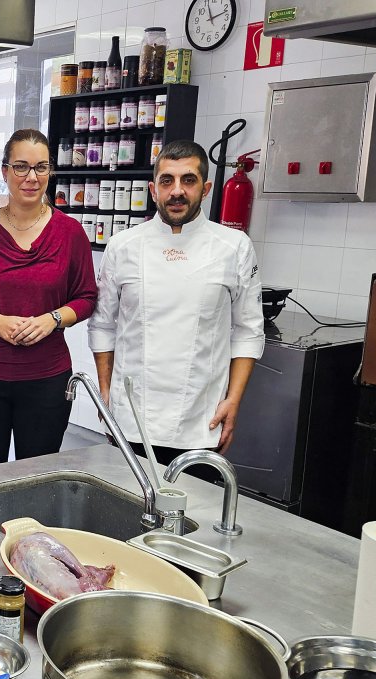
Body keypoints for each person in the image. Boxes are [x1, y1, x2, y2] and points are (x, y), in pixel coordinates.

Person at [88, 139, 264, 462]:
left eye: (189, 180)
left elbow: (248, 331)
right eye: (167, 181)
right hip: (130, 420)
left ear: (206, 188)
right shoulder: (122, 246)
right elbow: (102, 325)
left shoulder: (234, 247)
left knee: (193, 511)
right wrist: (105, 391)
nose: (177, 191)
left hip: (202, 420)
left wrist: (234, 400)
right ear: (154, 189)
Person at [0, 128, 98, 467]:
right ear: (5, 171)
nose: (31, 177)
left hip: (47, 380)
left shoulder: (70, 233)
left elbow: (86, 297)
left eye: (41, 167)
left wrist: (53, 319)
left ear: (50, 172)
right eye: (21, 167)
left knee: (38, 475)